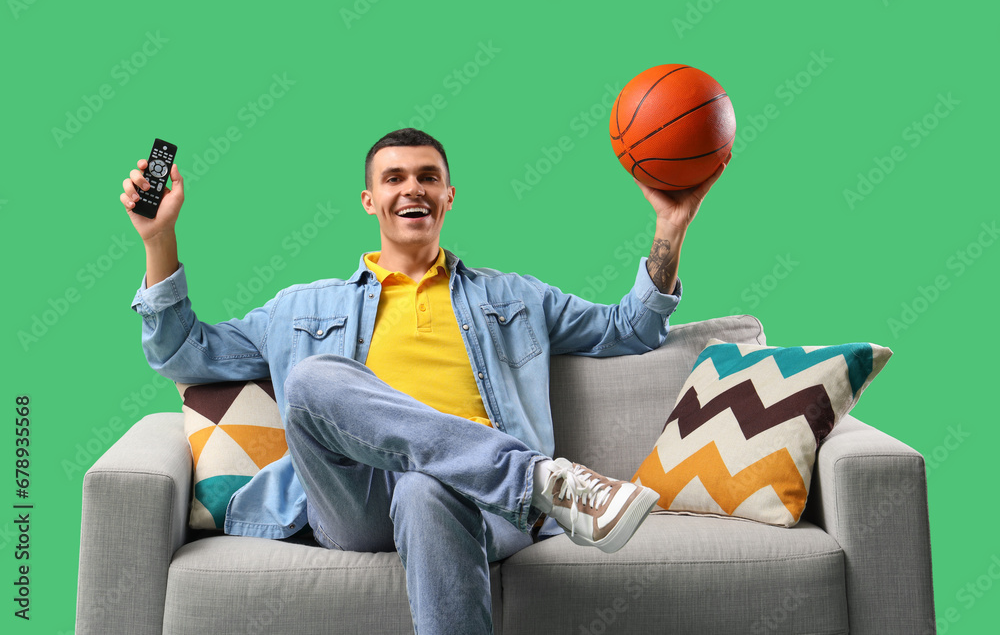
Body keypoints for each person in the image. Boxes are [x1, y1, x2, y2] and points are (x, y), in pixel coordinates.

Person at [121, 128, 729, 634]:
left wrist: (671, 226)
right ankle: (542, 481)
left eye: (427, 177)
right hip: (353, 502)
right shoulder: (300, 308)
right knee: (310, 377)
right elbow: (185, 355)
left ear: (448, 196)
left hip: (481, 504)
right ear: (369, 201)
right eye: (394, 178)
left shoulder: (513, 297)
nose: (412, 187)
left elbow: (629, 330)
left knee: (422, 488)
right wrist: (158, 238)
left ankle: (519, 480)